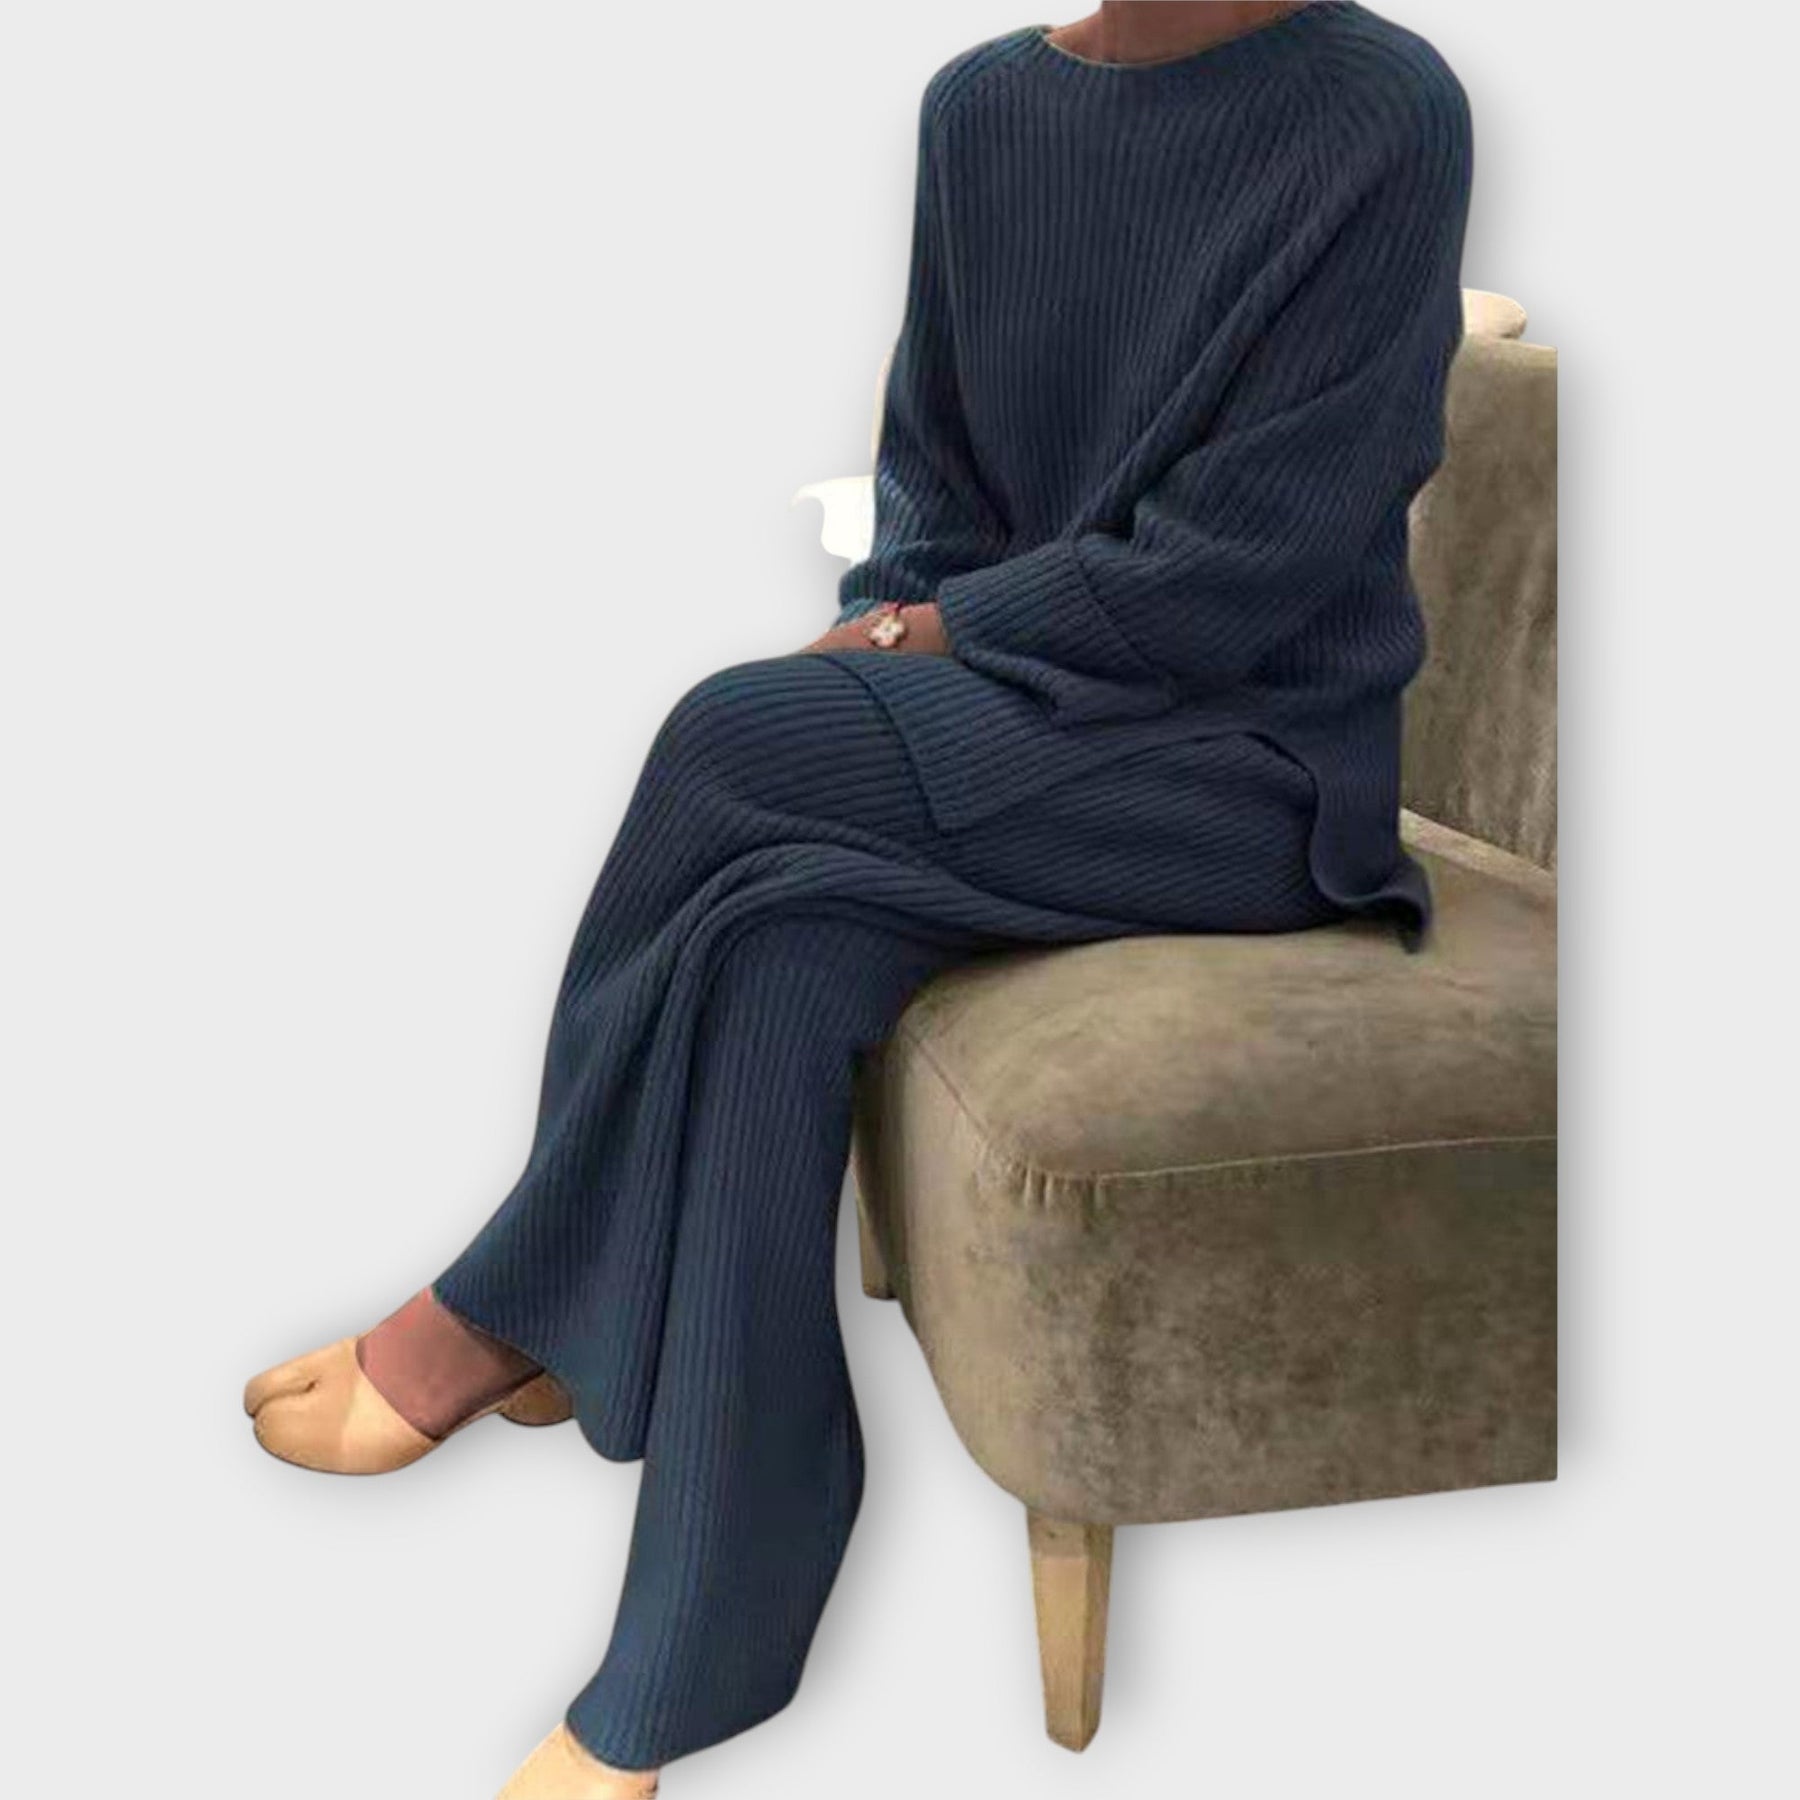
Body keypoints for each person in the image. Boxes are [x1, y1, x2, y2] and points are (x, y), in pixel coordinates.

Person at [240, 4, 1473, 1793]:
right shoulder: (981, 110)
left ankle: (506, 1303)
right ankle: (704, 1629)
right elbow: (935, 475)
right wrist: (906, 624)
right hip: (1028, 722)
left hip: (1248, 771)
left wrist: (918, 643)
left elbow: (1255, 561)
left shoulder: (1383, 108)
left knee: (732, 734)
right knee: (774, 943)